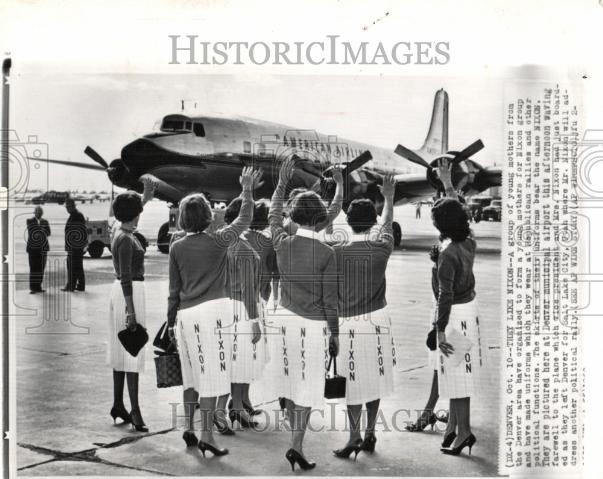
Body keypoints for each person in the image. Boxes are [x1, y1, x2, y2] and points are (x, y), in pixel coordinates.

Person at [167, 167, 259, 456]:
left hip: (186, 315)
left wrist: (171, 323)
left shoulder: (176, 246)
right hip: (214, 314)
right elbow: (244, 218)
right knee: (213, 375)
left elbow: (173, 290)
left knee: (191, 374)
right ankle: (208, 436)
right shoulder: (220, 241)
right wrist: (246, 190)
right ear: (208, 216)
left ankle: (189, 427)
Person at [265, 157, 339, 472]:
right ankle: (296, 445)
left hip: (283, 317)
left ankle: (292, 431)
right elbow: (330, 300)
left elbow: (271, 213)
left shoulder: (282, 242)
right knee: (308, 385)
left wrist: (282, 182)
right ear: (320, 218)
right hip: (311, 325)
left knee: (290, 379)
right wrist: (334, 333)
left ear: (294, 215)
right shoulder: (327, 253)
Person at [329, 175, 398, 460]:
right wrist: (390, 198)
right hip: (378, 320)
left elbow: (327, 225)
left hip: (348, 323)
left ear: (350, 221)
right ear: (372, 221)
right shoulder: (382, 248)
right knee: (374, 378)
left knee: (352, 380)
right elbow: (387, 224)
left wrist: (337, 188)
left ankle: (354, 435)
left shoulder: (335, 252)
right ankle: (370, 432)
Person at [431, 158, 484, 456]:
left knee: (456, 379)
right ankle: (454, 427)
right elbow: (458, 210)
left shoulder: (447, 253)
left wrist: (439, 330)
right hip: (470, 311)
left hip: (454, 318)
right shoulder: (469, 241)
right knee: (456, 376)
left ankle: (463, 432)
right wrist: (448, 180)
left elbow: (444, 296)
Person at [107, 180, 155, 432]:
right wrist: (132, 312)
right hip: (130, 293)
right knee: (133, 352)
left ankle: (118, 404)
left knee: (120, 352)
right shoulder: (126, 239)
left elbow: (127, 214)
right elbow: (126, 276)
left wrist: (143, 198)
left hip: (120, 293)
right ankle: (135, 410)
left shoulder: (117, 228)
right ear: (133, 214)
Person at [222, 198, 264, 429]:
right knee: (242, 361)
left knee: (233, 360)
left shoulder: (220, 242)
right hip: (242, 308)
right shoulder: (244, 249)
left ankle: (235, 405)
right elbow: (249, 290)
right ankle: (237, 407)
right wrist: (255, 320)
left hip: (225, 305)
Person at [62, 198, 88, 292]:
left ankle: (71, 286)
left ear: (72, 206)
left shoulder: (77, 215)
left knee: (72, 266)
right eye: (66, 207)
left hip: (75, 247)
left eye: (68, 207)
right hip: (74, 246)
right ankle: (80, 286)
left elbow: (81, 232)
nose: (67, 209)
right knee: (77, 266)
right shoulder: (75, 215)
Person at [26, 206, 51, 294]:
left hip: (43, 249)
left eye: (40, 212)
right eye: (37, 211)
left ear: (42, 213)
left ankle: (38, 287)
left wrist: (41, 230)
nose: (39, 213)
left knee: (41, 268)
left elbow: (48, 233)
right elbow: (32, 232)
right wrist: (42, 229)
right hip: (33, 249)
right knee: (33, 268)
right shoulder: (30, 221)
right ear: (34, 212)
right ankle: (33, 288)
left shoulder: (45, 221)